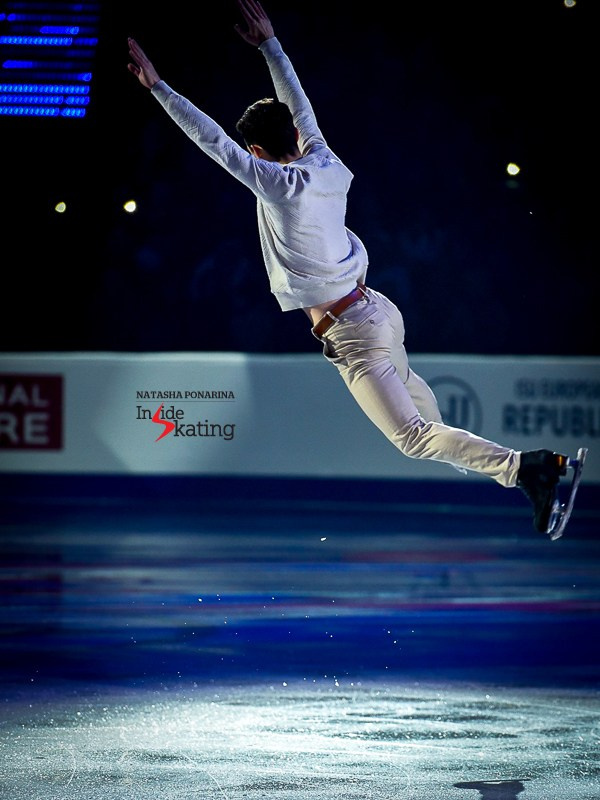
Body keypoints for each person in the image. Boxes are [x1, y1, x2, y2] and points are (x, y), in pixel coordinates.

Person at [127, 0, 578, 538]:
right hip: (377, 310)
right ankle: (522, 472)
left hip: (353, 333)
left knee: (412, 438)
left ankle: (532, 468)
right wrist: (270, 44)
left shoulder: (279, 184)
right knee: (430, 430)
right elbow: (299, 104)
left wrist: (159, 88)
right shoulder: (324, 161)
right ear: (295, 135)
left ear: (258, 150)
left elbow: (214, 143)